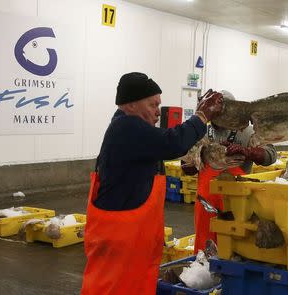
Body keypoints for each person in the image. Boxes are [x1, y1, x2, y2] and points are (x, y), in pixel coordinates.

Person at [81, 72, 223, 295]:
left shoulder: (130, 129)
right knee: (112, 287)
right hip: (121, 236)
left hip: (131, 236)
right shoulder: (126, 127)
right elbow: (173, 142)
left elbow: (159, 149)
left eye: (159, 104)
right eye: (153, 104)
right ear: (131, 105)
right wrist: (201, 117)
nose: (158, 111)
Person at [182, 90, 277, 254]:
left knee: (235, 248)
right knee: (204, 249)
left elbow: (271, 155)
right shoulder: (201, 131)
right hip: (206, 204)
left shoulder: (247, 132)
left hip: (237, 204)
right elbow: (186, 168)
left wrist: (247, 152)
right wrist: (195, 161)